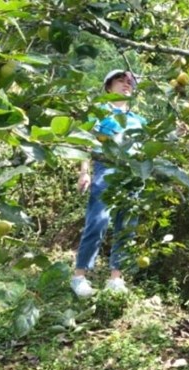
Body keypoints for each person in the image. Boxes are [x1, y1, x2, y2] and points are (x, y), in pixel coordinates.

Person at [70, 69, 147, 298]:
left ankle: (116, 277)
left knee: (127, 225)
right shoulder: (99, 112)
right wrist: (84, 172)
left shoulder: (139, 120)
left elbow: (150, 145)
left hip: (133, 174)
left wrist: (177, 133)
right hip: (106, 169)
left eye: (130, 82)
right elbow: (85, 143)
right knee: (97, 221)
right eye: (120, 80)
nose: (126, 84)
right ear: (108, 86)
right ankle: (79, 276)